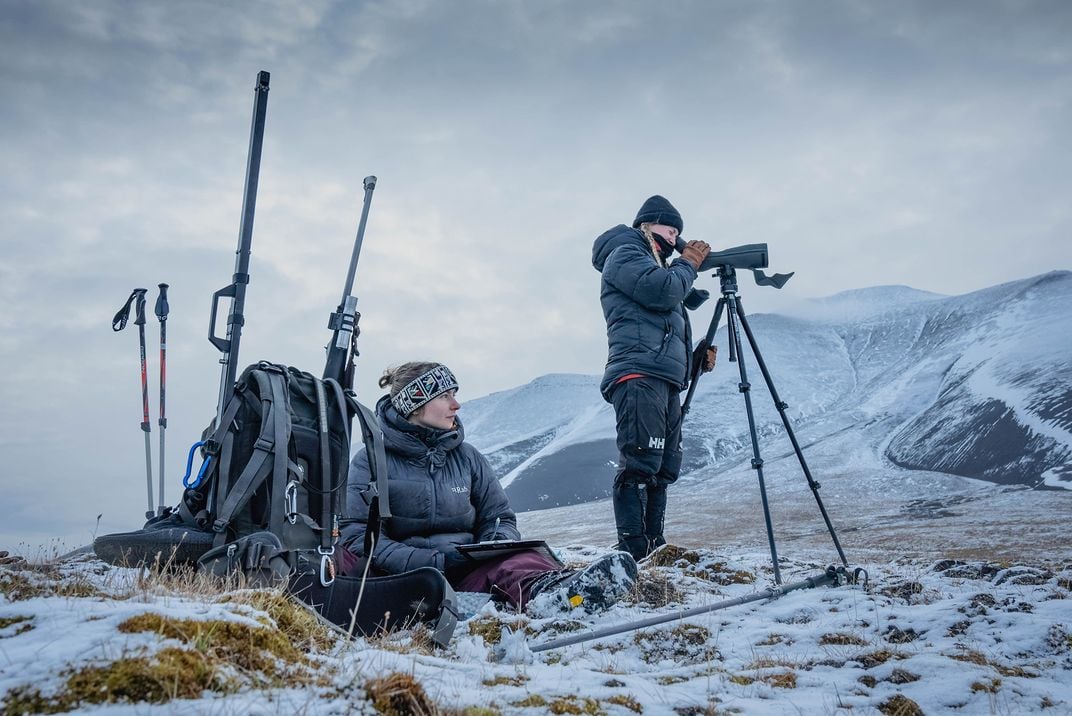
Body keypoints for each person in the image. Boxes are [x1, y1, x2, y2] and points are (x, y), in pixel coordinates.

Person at [340, 361, 638, 614]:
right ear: (415, 405)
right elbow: (357, 537)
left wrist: (488, 547)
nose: (456, 404)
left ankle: (559, 596)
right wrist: (436, 560)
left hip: (467, 570)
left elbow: (500, 517)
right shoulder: (370, 460)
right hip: (406, 578)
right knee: (345, 560)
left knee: (521, 560)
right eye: (445, 396)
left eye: (454, 394)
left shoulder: (468, 457)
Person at [592, 195, 716, 561]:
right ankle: (632, 548)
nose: (675, 235)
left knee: (663, 468)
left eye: (679, 230)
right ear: (646, 225)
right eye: (668, 227)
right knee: (640, 462)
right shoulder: (626, 252)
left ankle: (653, 545)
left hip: (661, 377)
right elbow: (661, 292)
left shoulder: (655, 263)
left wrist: (692, 364)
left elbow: (658, 330)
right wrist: (689, 261)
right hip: (637, 374)